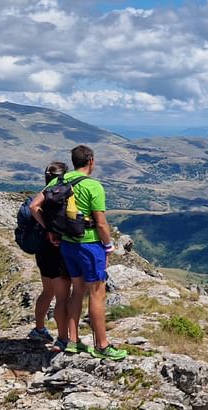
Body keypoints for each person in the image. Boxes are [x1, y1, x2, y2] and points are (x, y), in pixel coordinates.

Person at [53, 145, 127, 361]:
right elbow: (102, 223)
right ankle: (102, 345)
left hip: (67, 244)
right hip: (90, 244)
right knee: (97, 293)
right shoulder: (93, 186)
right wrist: (108, 245)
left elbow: (36, 206)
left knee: (77, 290)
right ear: (91, 161)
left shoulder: (60, 180)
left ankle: (73, 342)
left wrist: (51, 233)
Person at [27, 162, 71, 351]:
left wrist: (45, 226)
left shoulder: (44, 192)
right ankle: (62, 339)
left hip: (43, 250)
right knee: (62, 296)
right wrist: (51, 228)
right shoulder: (59, 194)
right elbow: (33, 206)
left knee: (48, 291)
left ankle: (39, 328)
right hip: (56, 249)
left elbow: (33, 207)